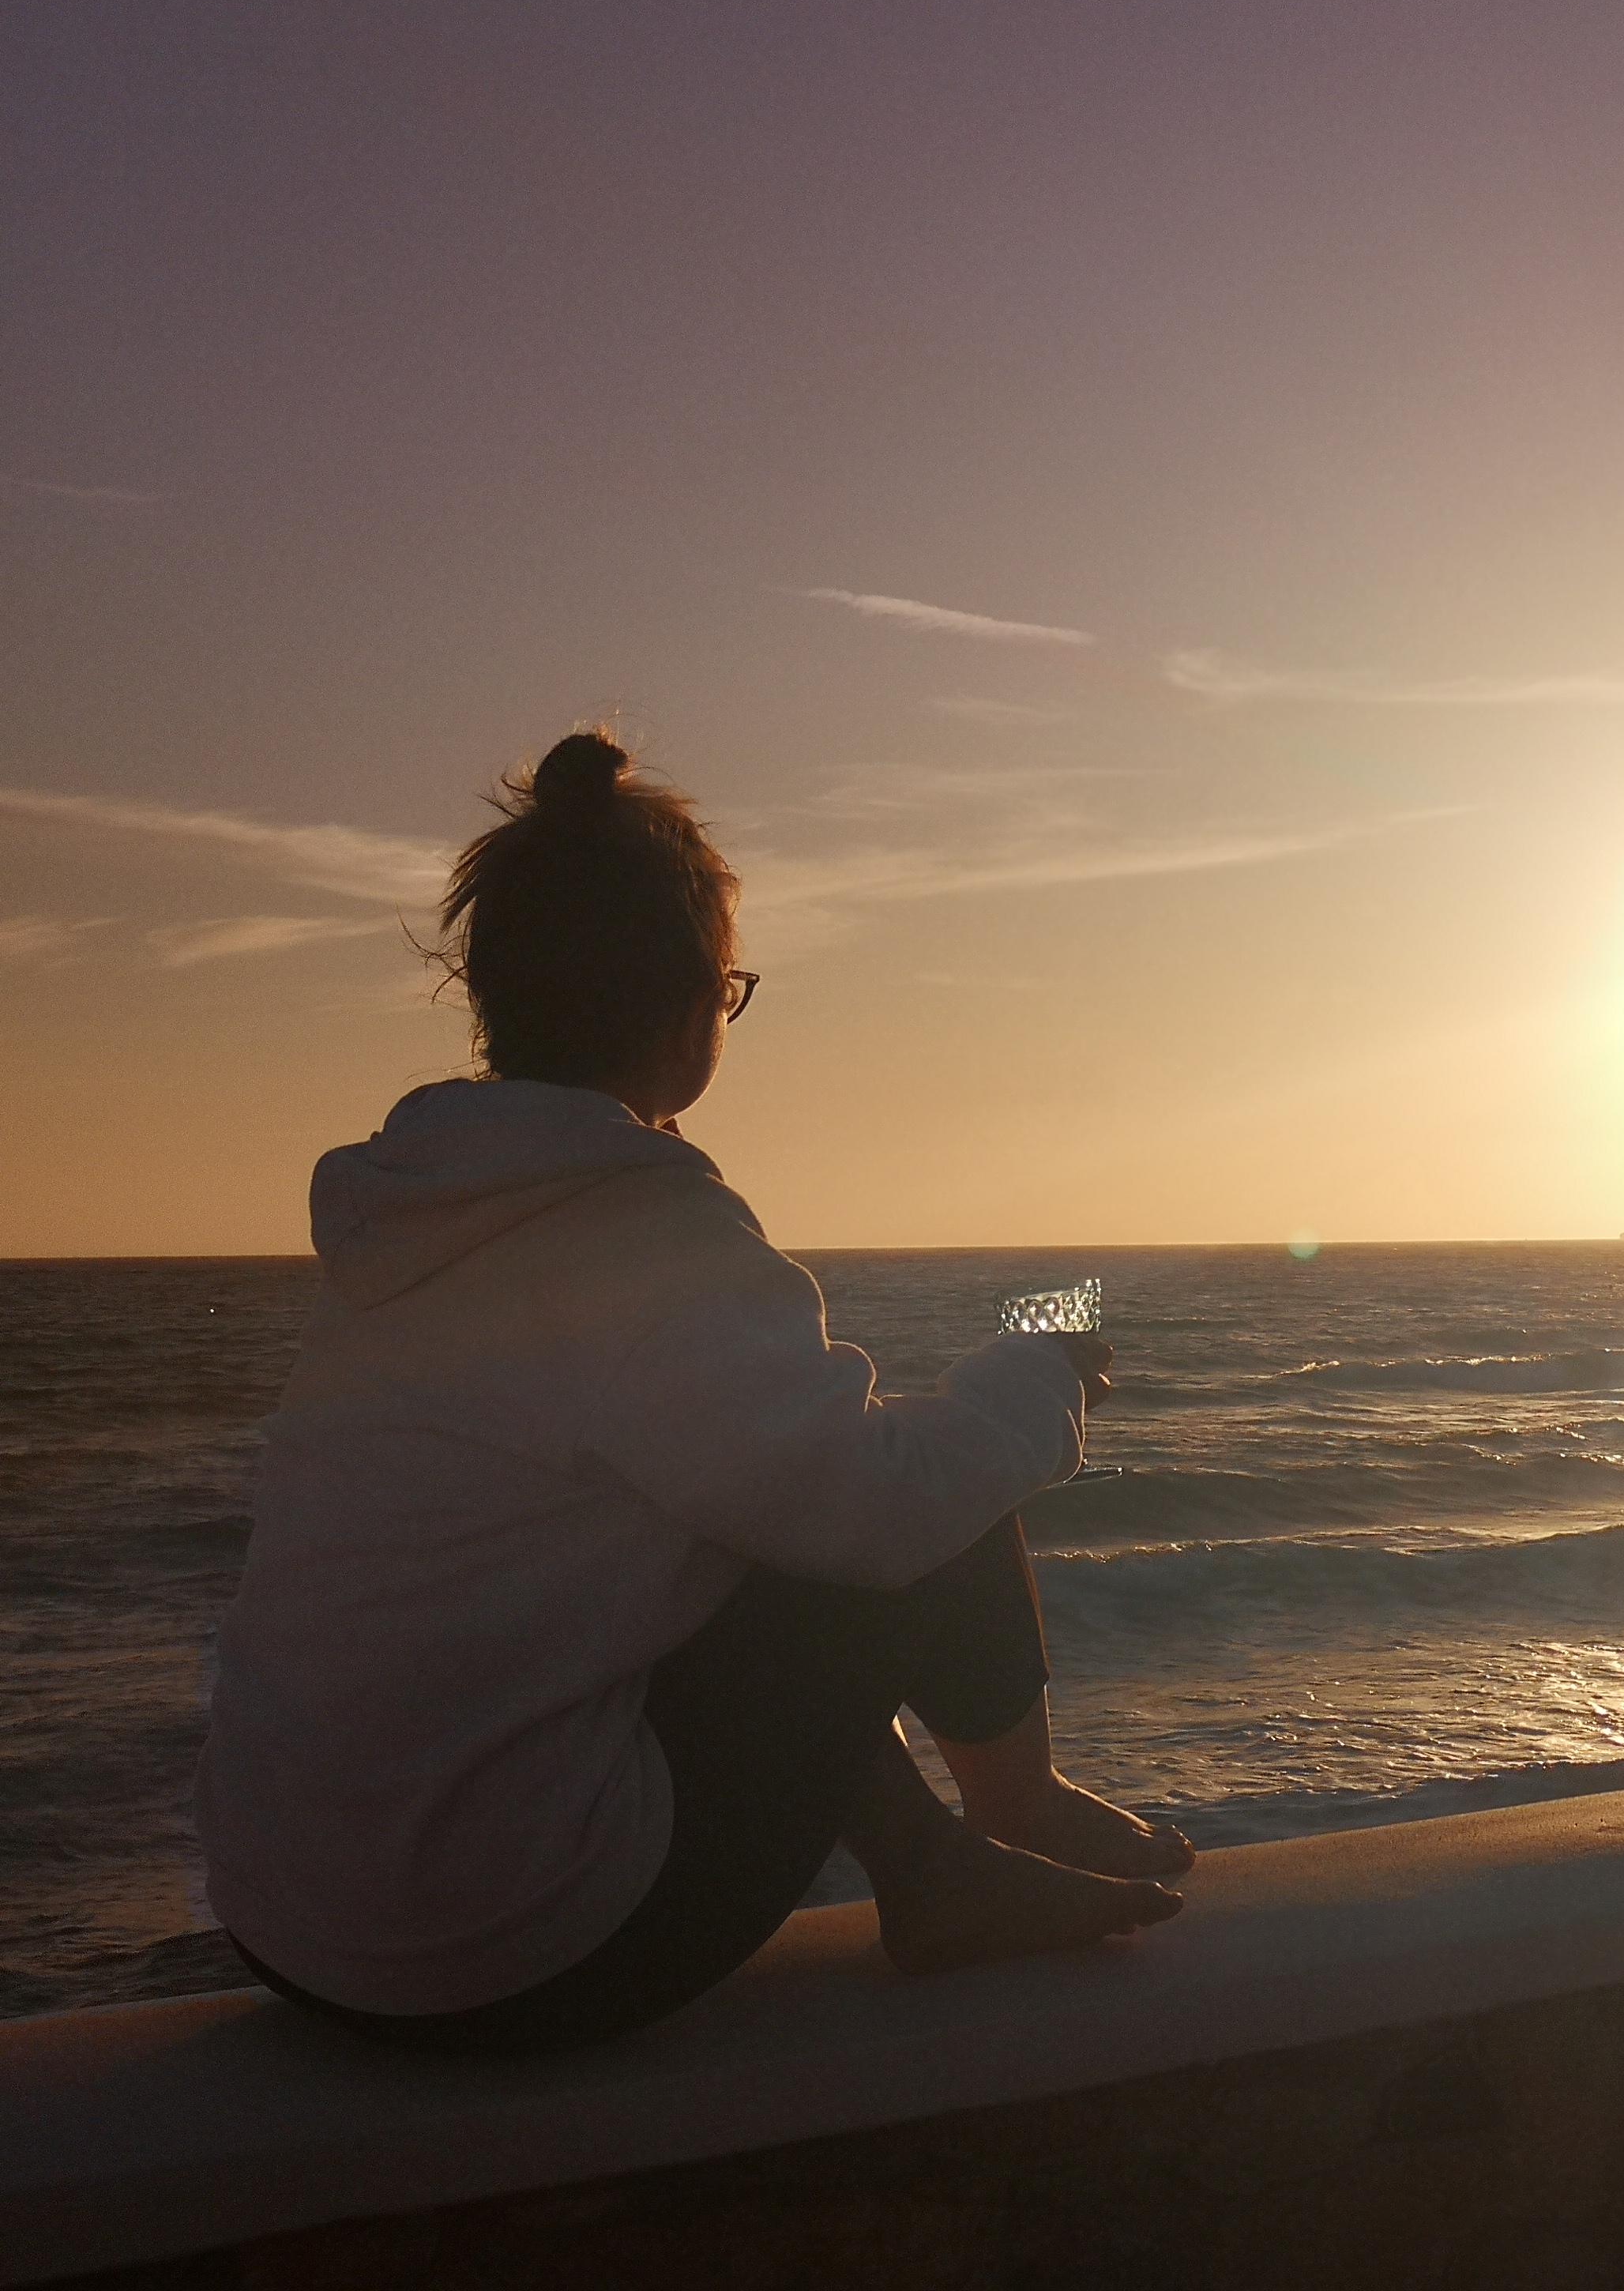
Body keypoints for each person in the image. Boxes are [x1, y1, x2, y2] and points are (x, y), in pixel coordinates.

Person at [194, 727, 1186, 2056]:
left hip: (296, 1931)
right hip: (513, 1954)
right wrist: (1039, 1370)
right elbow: (879, 1514)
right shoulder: (639, 1231)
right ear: (684, 1004)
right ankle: (1015, 1814)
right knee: (896, 1493)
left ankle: (951, 1861)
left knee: (762, 1508)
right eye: (732, 990)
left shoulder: (410, 1232)